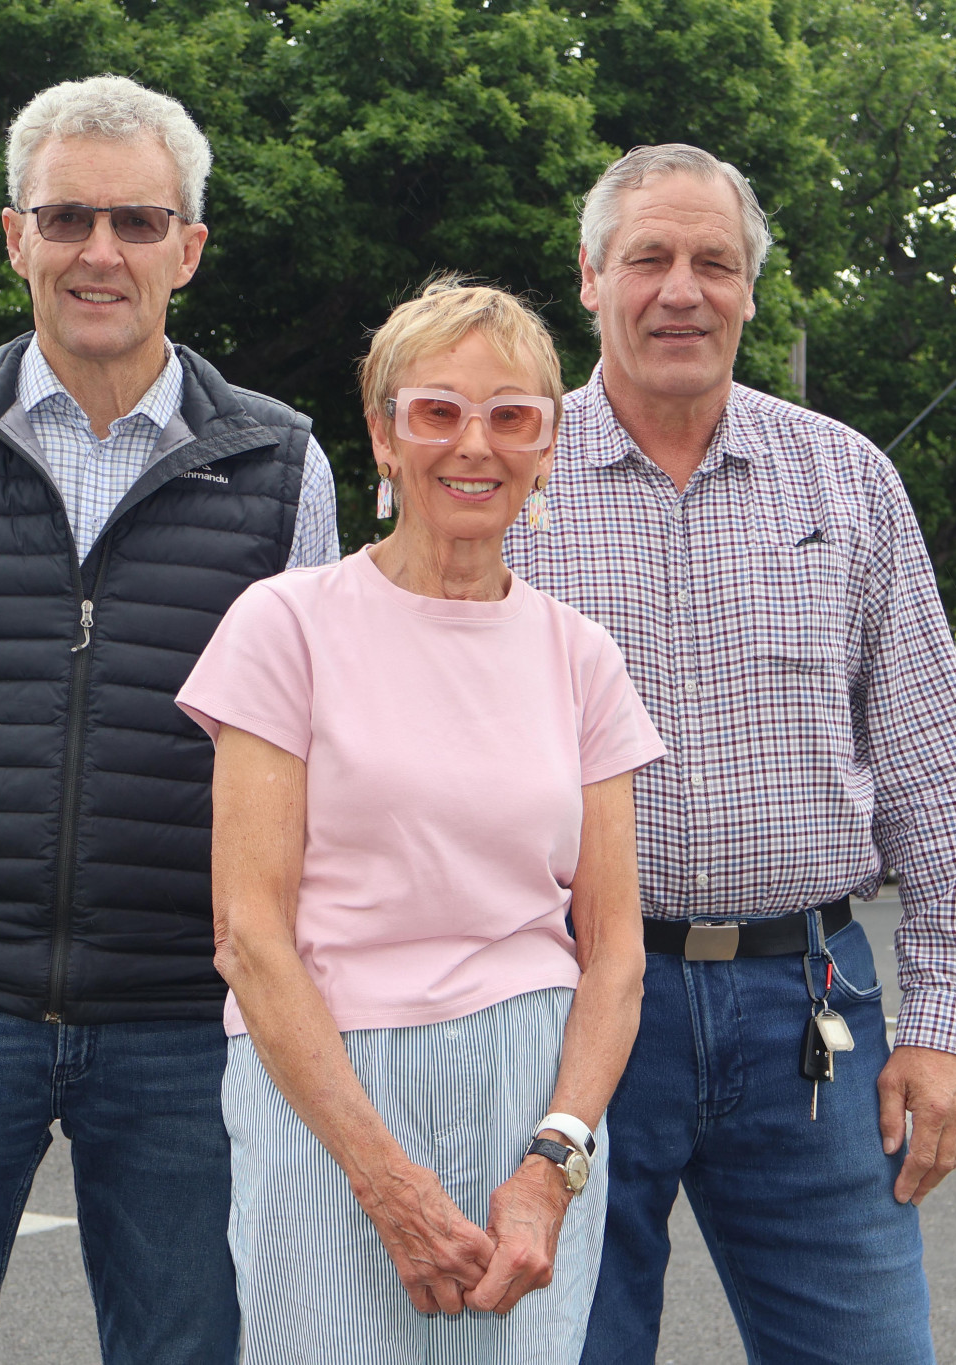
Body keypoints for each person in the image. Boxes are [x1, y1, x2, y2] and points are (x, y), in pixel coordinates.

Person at [0, 75, 337, 1364]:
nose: (98, 251)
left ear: (189, 249)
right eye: (65, 219)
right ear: (15, 238)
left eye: (136, 222)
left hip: (186, 1008)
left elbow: (309, 746)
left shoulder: (283, 467)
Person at [502, 145, 956, 1364]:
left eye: (712, 263)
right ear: (588, 278)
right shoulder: (506, 474)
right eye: (649, 259)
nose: (681, 289)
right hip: (566, 1011)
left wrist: (940, 1032)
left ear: (747, 289)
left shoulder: (848, 482)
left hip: (807, 1015)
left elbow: (937, 776)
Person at [176, 278, 665, 1364]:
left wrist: (553, 1163)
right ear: (384, 437)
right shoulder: (283, 627)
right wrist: (383, 1178)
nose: (472, 445)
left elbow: (616, 952)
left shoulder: (582, 659)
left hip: (527, 1090)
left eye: (511, 416)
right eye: (436, 411)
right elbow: (250, 937)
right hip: (326, 1091)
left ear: (546, 445)